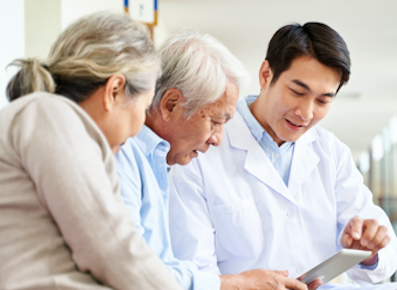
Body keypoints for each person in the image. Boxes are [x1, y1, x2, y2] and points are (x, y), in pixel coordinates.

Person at [168, 23, 397, 290]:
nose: (306, 112)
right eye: (298, 92)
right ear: (266, 75)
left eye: (323, 101)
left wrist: (369, 251)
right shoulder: (200, 148)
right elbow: (192, 272)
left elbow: (383, 261)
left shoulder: (330, 152)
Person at [115, 31, 314, 290]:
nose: (217, 139)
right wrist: (237, 284)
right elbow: (134, 273)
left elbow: (166, 266)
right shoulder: (123, 155)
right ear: (171, 105)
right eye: (215, 122)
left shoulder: (156, 163)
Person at [0, 12, 182, 290]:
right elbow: (113, 248)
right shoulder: (50, 115)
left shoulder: (53, 122)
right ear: (115, 91)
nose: (139, 128)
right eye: (144, 110)